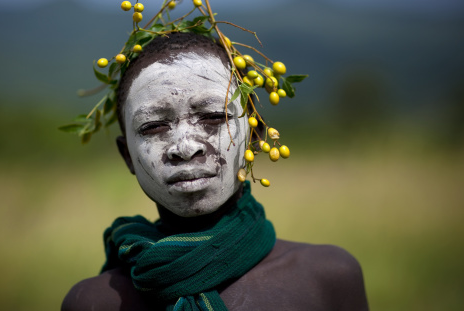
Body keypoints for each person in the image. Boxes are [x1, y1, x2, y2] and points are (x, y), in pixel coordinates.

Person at [61, 33, 369, 310]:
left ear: (254, 134)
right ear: (127, 155)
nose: (185, 147)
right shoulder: (95, 302)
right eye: (154, 126)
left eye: (212, 117)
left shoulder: (328, 279)